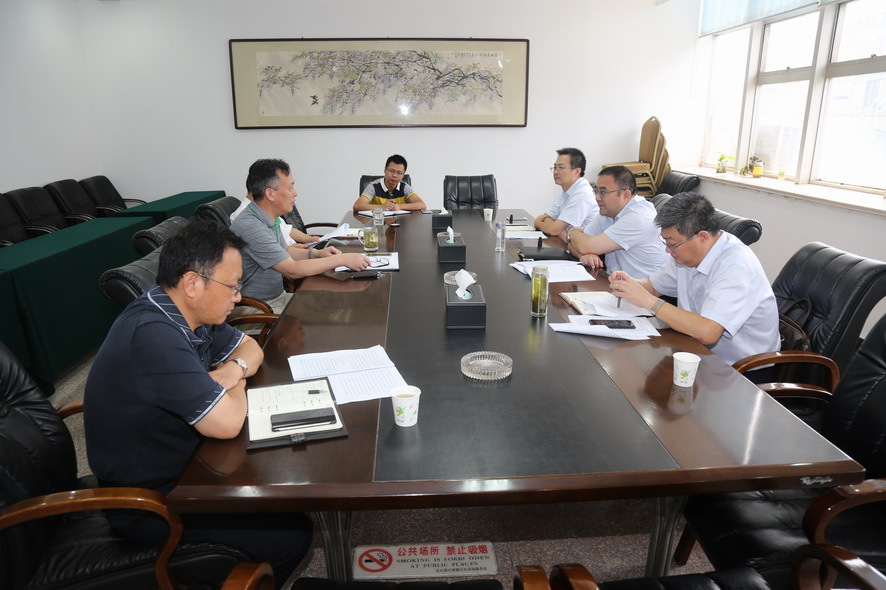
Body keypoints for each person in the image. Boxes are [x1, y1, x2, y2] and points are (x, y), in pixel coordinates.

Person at [84, 219, 311, 588]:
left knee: (278, 486)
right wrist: (237, 379)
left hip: (187, 460)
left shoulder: (186, 312)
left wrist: (232, 370)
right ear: (192, 283)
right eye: (232, 286)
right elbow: (227, 423)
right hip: (148, 500)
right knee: (291, 533)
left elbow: (250, 347)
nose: (238, 297)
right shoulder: (153, 336)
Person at [609, 192, 780, 371]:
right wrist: (628, 284)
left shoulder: (735, 266)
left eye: (672, 244)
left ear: (702, 237)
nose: (668, 250)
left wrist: (648, 301)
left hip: (741, 369)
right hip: (695, 351)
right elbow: (653, 286)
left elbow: (708, 332)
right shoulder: (685, 254)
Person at [232, 158, 370, 313]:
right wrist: (342, 259)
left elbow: (286, 252)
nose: (295, 193)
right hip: (257, 308)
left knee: (333, 303)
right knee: (327, 313)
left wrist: (317, 253)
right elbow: (292, 270)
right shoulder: (251, 225)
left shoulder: (267, 216)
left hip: (276, 299)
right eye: (290, 187)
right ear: (270, 194)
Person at [566, 165, 668, 276]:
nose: (597, 198)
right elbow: (573, 245)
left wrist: (573, 232)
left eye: (603, 192)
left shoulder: (637, 217)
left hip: (644, 285)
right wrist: (583, 255)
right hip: (616, 281)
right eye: (596, 191)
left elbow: (585, 246)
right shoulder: (608, 211)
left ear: (625, 195)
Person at [534, 147, 598, 236]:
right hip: (567, 241)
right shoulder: (567, 189)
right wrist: (559, 231)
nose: (555, 172)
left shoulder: (582, 194)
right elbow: (546, 217)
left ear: (577, 171)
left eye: (561, 167)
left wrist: (537, 222)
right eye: (555, 167)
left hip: (584, 243)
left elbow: (553, 230)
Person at [352, 154, 427, 212]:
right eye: (391, 171)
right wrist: (382, 207)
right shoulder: (374, 186)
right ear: (385, 170)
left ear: (403, 175)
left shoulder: (404, 187)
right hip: (378, 224)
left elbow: (422, 205)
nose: (394, 175)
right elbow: (357, 206)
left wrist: (399, 206)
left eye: (399, 173)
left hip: (400, 224)